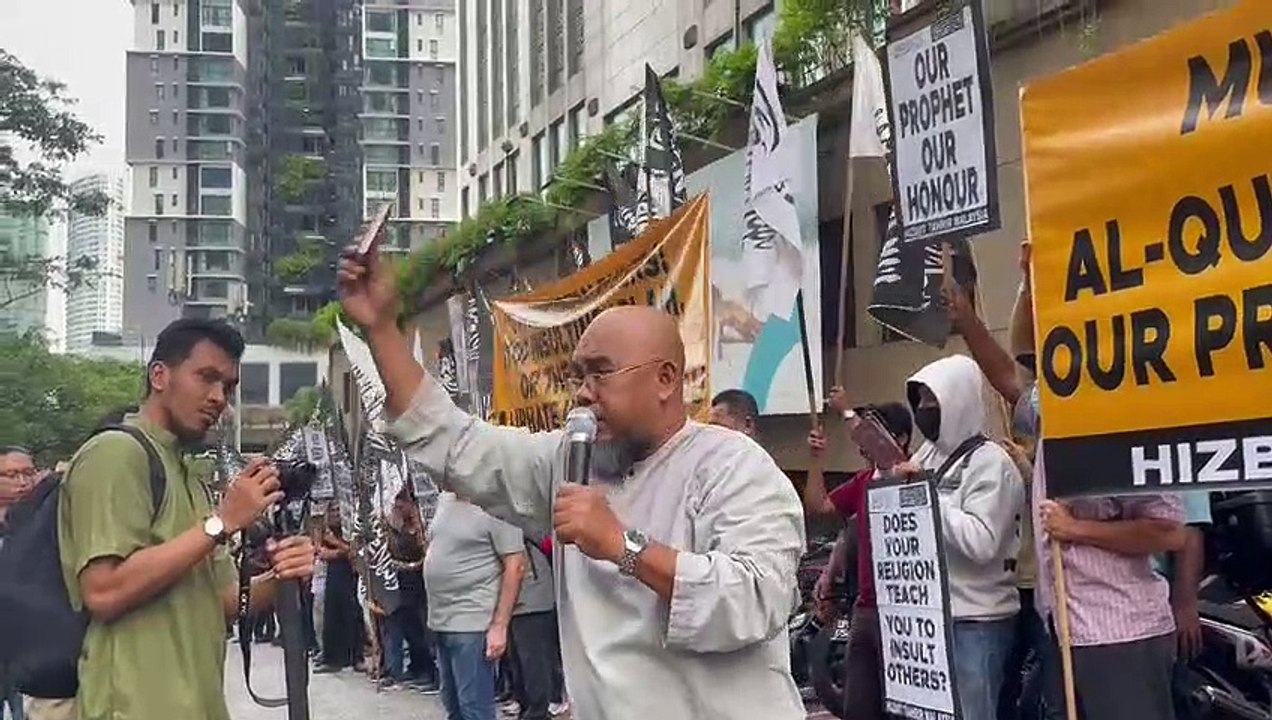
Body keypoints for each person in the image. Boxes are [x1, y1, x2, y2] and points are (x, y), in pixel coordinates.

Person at [338, 246, 807, 720]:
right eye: (578, 377)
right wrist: (381, 328)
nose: (582, 393)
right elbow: (456, 443)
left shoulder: (734, 466)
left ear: (666, 379)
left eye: (600, 374)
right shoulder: (569, 461)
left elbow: (756, 599)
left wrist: (623, 545)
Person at [950, 243, 1186, 720]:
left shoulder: (1127, 420)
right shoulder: (1055, 410)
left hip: (1120, 634)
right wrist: (1005, 297)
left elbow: (1168, 530)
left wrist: (1078, 530)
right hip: (1065, 627)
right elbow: (1010, 373)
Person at [56, 318, 316, 720]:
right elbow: (103, 593)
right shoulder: (114, 454)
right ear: (159, 375)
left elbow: (225, 602)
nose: (218, 398)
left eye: (228, 387)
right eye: (206, 378)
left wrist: (282, 576)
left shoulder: (186, 475)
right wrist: (221, 523)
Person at [892, 355, 1025, 720]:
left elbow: (981, 542)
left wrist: (927, 497)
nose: (923, 411)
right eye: (918, 402)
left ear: (958, 402)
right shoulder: (927, 454)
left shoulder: (991, 463)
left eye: (932, 402)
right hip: (928, 620)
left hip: (976, 622)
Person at [803, 396, 912, 720]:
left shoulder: (913, 475)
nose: (863, 441)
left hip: (907, 614)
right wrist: (815, 459)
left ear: (902, 438)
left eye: (872, 432)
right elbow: (819, 506)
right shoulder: (863, 483)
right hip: (864, 610)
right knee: (859, 707)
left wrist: (845, 409)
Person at [423, 492, 526, 720]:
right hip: (441, 620)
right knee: (453, 705)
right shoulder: (445, 499)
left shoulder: (498, 503)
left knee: (474, 709)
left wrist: (499, 626)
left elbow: (515, 565)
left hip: (472, 622)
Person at [381, 488, 438, 692]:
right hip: (403, 585)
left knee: (425, 630)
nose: (398, 509)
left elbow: (426, 553)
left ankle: (432, 673)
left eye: (401, 505)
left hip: (420, 583)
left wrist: (409, 566)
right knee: (411, 629)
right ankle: (416, 667)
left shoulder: (421, 526)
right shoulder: (398, 527)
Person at [507, 533, 560, 720]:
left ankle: (539, 712)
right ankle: (528, 709)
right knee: (519, 666)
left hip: (531, 598)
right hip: (513, 602)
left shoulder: (521, 522)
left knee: (533, 665)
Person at [0, 447, 36, 720]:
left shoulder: (44, 521)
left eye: (28, 473)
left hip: (30, 647)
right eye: (11, 475)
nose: (22, 483)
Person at [316, 506, 362, 673]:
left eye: (337, 510)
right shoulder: (325, 531)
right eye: (332, 511)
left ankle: (356, 657)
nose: (335, 514)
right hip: (333, 574)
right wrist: (339, 551)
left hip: (350, 575)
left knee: (352, 615)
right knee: (331, 615)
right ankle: (333, 659)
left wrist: (336, 546)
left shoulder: (350, 530)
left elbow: (353, 551)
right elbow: (321, 553)